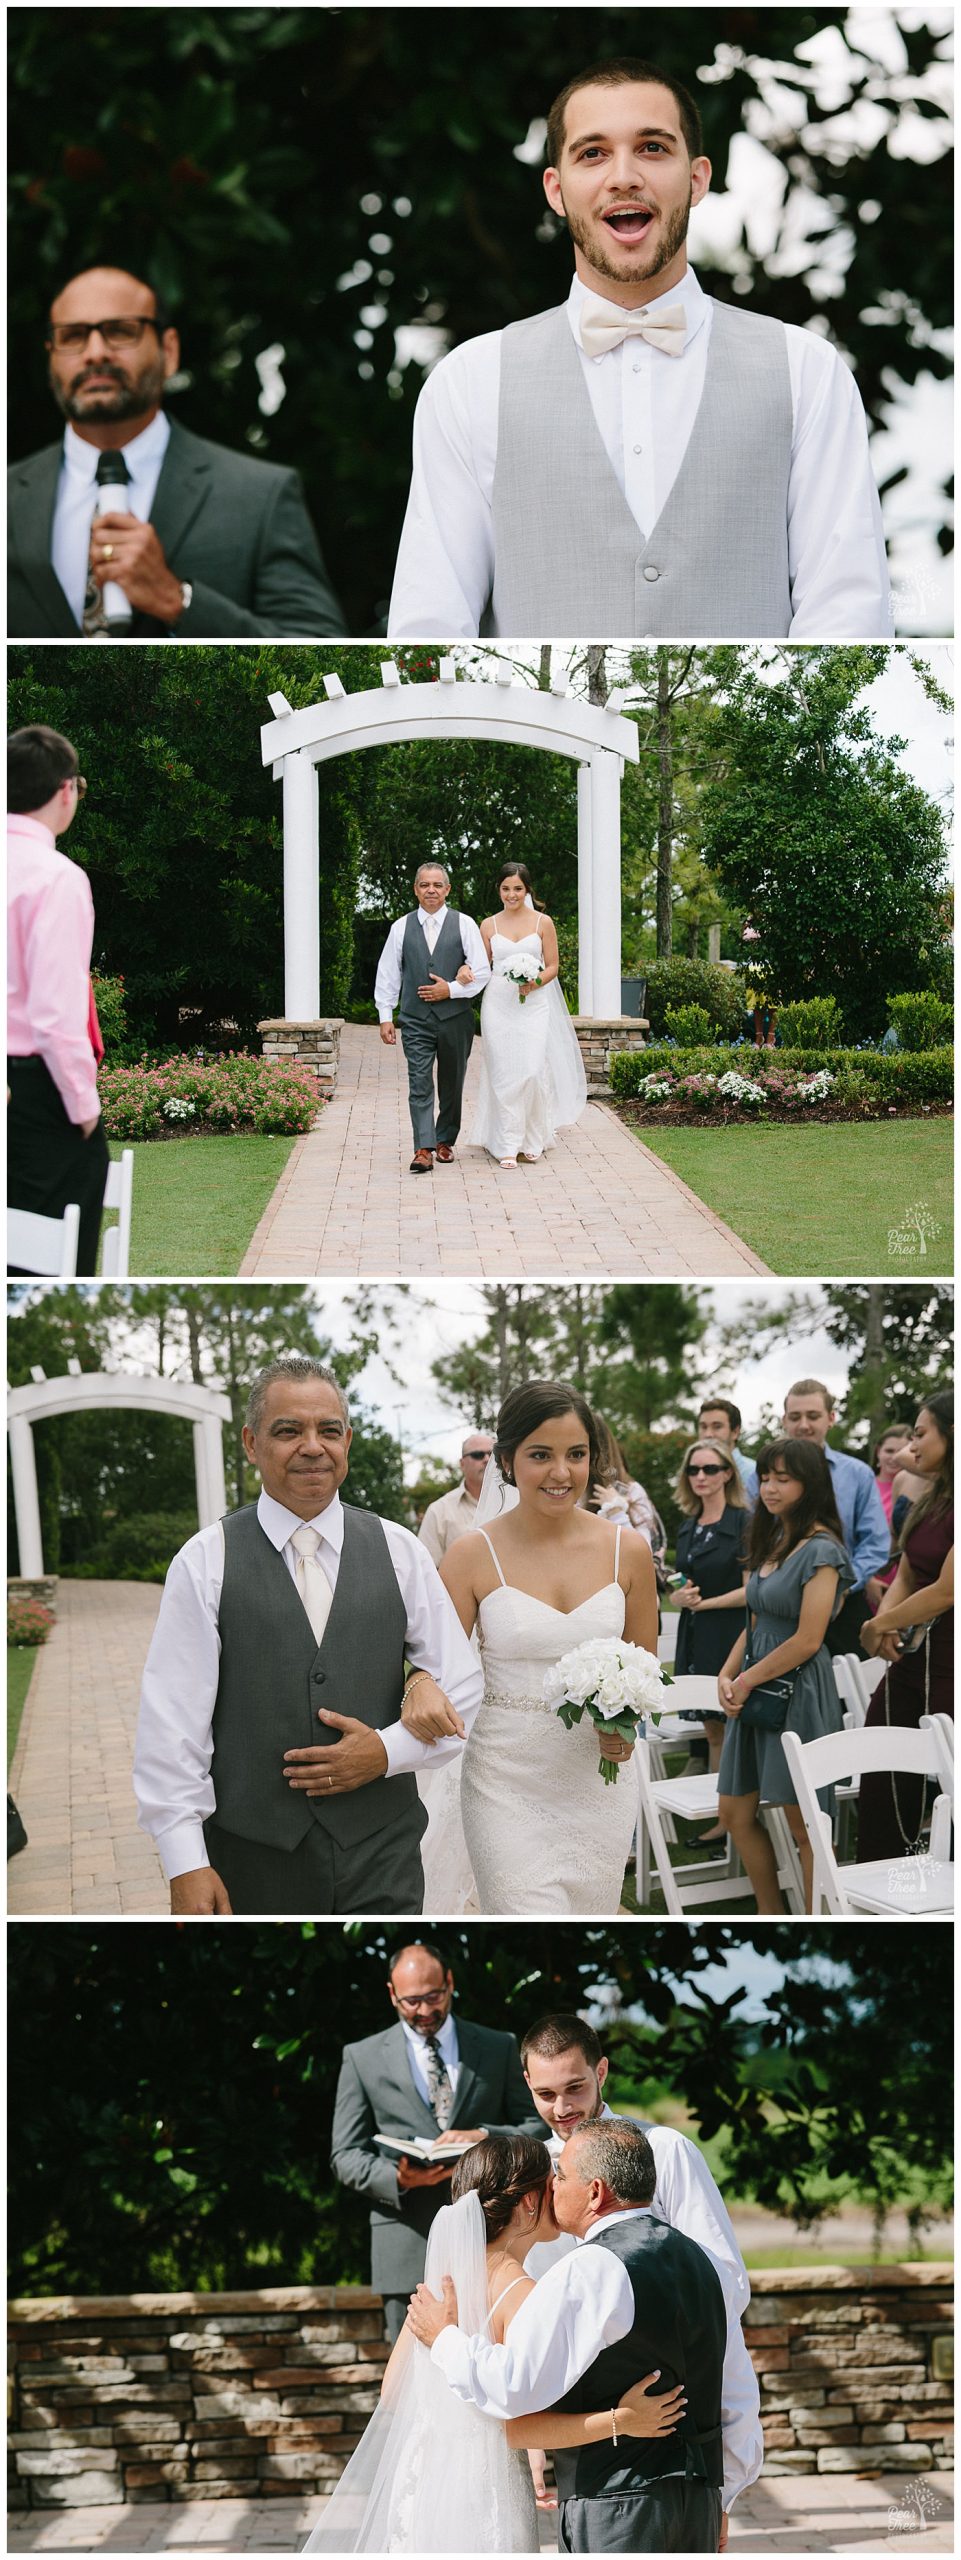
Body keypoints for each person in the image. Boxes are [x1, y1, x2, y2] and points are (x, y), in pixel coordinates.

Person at [388, 57, 892, 642]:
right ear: (556, 190)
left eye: (652, 148)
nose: (623, 176)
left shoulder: (807, 371)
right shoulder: (471, 381)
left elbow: (847, 614)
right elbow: (432, 625)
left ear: (698, 178)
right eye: (592, 153)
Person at [133, 1356, 482, 1916]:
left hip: (382, 1850)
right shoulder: (205, 1561)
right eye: (288, 1430)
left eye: (329, 1430)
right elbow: (172, 1725)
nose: (312, 1446)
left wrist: (385, 1752)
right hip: (252, 1855)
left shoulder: (400, 1552)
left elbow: (462, 1689)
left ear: (349, 1440)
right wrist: (184, 1861)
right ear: (251, 1443)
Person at [308, 2133, 685, 2553]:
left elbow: (393, 2393)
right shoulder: (522, 2293)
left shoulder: (439, 2285)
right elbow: (521, 2426)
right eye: (551, 2182)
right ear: (528, 2202)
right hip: (484, 2486)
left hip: (422, 2478)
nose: (558, 2190)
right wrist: (622, 2420)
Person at [409, 2120, 728, 2554]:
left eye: (560, 2175)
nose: (553, 2187)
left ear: (595, 2192)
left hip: (620, 2503)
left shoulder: (591, 2267)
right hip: (700, 2501)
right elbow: (729, 2382)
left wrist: (445, 2338)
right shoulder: (698, 2258)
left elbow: (514, 2385)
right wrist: (725, 2494)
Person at [403, 1380, 658, 1913]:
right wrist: (418, 1683)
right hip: (504, 1782)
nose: (561, 1473)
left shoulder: (628, 1551)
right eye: (541, 1455)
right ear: (506, 1460)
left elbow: (645, 1670)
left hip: (599, 1782)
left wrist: (625, 1731)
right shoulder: (473, 1554)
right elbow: (429, 1664)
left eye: (577, 1455)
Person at [518, 2012, 763, 2542]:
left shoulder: (665, 2149)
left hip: (669, 2416)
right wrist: (540, 2429)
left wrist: (723, 2473)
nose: (562, 2109)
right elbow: (532, 2309)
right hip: (577, 2422)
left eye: (575, 2087)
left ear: (602, 2071)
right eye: (545, 2094)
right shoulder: (538, 2169)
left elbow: (722, 2286)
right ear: (528, 2088)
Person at [8, 264, 343, 638]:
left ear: (169, 351)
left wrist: (176, 600)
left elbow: (317, 644)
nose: (95, 353)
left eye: (120, 331)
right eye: (72, 336)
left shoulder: (260, 495)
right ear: (50, 355)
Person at [330, 1944, 545, 2344]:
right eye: (412, 2001)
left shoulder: (497, 2046)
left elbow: (537, 2126)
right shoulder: (362, 2057)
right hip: (406, 2242)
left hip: (493, 2241)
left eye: (434, 1997)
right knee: (410, 2387)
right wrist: (398, 2177)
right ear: (393, 1995)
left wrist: (483, 2137)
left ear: (450, 1983)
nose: (425, 2010)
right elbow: (344, 2155)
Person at [717, 1437, 853, 1915]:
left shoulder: (823, 1550)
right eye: (767, 1477)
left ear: (809, 1483)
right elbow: (757, 1618)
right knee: (734, 1813)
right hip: (755, 1681)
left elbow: (808, 1639)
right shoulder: (770, 1536)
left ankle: (817, 1918)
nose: (770, 1488)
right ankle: (769, 1911)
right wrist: (729, 1671)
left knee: (806, 1826)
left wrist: (748, 1678)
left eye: (784, 1478)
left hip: (797, 1690)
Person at [7, 722, 109, 1275]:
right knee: (51, 1264)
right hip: (31, 1091)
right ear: (66, 789)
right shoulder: (56, 877)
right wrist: (83, 1109)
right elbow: (54, 1014)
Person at [858, 1392, 954, 1863]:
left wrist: (880, 1622)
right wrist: (885, 1624)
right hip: (918, 1659)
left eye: (921, 1432)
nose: (911, 1444)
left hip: (954, 1661)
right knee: (883, 1766)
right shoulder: (933, 1495)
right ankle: (888, 1875)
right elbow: (913, 1571)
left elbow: (948, 1590)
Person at [745, 1379, 888, 1658]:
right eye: (795, 1417)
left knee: (851, 1695)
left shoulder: (857, 1474)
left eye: (813, 1416)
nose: (804, 1425)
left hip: (844, 1606)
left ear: (831, 1418)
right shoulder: (759, 1480)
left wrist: (841, 1585)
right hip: (781, 1608)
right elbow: (758, 1538)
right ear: (784, 1420)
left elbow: (875, 1543)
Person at [467, 863, 586, 1167]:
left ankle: (532, 1138)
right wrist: (464, 971)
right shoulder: (488, 925)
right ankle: (506, 1142)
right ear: (499, 890)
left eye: (518, 888)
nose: (512, 894)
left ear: (527, 890)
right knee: (503, 1072)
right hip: (498, 1004)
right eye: (506, 888)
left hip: (534, 1004)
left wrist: (535, 982)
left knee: (532, 1070)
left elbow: (553, 966)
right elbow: (481, 966)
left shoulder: (542, 923)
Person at [375, 863, 490, 1172]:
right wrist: (386, 1015)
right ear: (416, 889)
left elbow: (481, 973)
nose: (431, 890)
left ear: (447, 889)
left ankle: (444, 1140)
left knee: (452, 1082)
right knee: (420, 1082)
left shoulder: (464, 924)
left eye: (437, 885)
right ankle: (423, 1148)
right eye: (424, 885)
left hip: (456, 1019)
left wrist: (449, 990)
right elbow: (388, 974)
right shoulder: (400, 927)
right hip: (415, 1020)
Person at [672, 1438, 750, 1811]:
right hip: (696, 1634)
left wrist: (706, 1604)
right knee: (711, 1727)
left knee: (732, 1723)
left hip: (732, 1632)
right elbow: (682, 1584)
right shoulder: (687, 1527)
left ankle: (734, 1813)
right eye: (693, 1470)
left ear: (727, 1474)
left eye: (709, 1469)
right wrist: (679, 1599)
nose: (700, 1476)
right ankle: (720, 1813)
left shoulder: (745, 1522)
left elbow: (754, 1592)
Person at [418, 1432, 495, 1564]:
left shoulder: (519, 1502)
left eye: (493, 1455)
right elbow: (427, 1569)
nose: (487, 1459)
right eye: (478, 1455)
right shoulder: (439, 1511)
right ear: (462, 1464)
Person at [863, 1422, 918, 1610]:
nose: (895, 1457)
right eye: (889, 1450)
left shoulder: (920, 1489)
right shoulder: (862, 1487)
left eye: (902, 1451)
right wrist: (866, 1579)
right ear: (878, 1451)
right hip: (863, 1579)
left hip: (906, 1583)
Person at [697, 1399, 754, 1491]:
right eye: (703, 1427)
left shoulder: (752, 1474)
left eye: (717, 1427)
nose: (708, 1434)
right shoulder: (693, 1473)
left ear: (735, 1432)